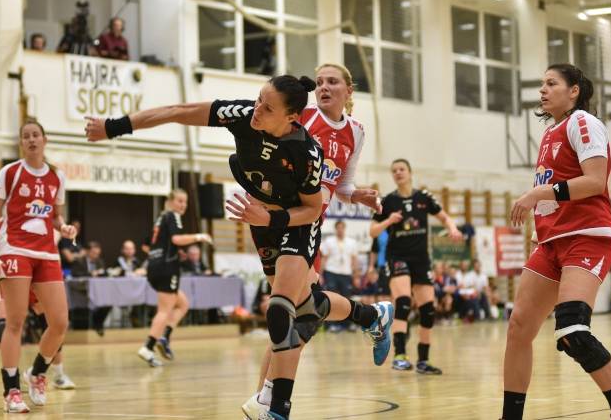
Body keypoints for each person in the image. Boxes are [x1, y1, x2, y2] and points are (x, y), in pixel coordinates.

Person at [86, 73, 390, 420]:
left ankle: (276, 407)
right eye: (259, 99)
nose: (257, 110)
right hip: (260, 222)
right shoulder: (244, 115)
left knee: (281, 309)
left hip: (295, 224)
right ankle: (371, 315)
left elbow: (311, 209)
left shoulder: (307, 151)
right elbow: (178, 110)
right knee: (307, 305)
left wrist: (272, 218)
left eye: (268, 107)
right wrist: (114, 127)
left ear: (292, 117)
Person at [240, 64, 391, 420]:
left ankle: (268, 399)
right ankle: (371, 315)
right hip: (278, 220)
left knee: (290, 310)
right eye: (319, 81)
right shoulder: (301, 116)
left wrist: (357, 195)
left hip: (305, 226)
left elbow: (341, 183)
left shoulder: (356, 131)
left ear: (348, 90)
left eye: (332, 82)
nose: (323, 87)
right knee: (298, 308)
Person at [501, 64, 611, 420]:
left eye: (551, 83)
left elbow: (595, 180)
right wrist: (538, 231)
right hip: (550, 243)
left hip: (586, 237)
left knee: (573, 330)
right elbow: (552, 197)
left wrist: (539, 193)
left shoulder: (583, 122)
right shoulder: (550, 133)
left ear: (574, 90)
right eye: (541, 84)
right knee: (518, 328)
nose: (543, 90)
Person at [0, 119, 76, 413]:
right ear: (21, 143)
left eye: (36, 135)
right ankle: (11, 392)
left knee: (59, 322)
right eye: (26, 136)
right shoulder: (10, 173)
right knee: (15, 321)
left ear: (45, 140)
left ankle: (37, 372)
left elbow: (55, 217)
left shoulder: (57, 176)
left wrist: (64, 227)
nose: (31, 140)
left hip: (47, 252)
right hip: (15, 249)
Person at [370, 158, 462, 375]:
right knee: (403, 302)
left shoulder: (424, 197)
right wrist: (389, 221)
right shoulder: (387, 201)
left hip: (421, 259)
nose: (398, 173)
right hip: (397, 257)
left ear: (410, 172)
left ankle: (423, 360)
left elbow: (444, 217)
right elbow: (372, 231)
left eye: (402, 169)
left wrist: (452, 228)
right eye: (394, 170)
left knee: (428, 310)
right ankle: (400, 356)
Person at [0, 222, 74, 394]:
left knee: (54, 325)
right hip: (16, 272)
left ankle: (57, 374)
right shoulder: (3, 222)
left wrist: (62, 229)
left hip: (41, 276)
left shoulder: (44, 219)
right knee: (4, 325)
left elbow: (55, 236)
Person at [135, 189, 212, 367]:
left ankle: (164, 337)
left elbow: (146, 246)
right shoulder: (172, 215)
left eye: (185, 202)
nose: (183, 205)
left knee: (183, 304)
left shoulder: (160, 219)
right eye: (179, 201)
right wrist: (199, 236)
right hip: (166, 269)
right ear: (170, 201)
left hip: (154, 267)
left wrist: (168, 253)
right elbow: (176, 239)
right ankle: (148, 347)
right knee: (164, 310)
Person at [319, 220, 360, 330]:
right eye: (338, 228)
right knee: (331, 298)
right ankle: (331, 324)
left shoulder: (351, 242)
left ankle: (347, 324)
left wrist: (356, 276)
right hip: (331, 272)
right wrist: (320, 275)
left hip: (346, 273)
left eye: (342, 227)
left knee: (347, 299)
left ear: (344, 229)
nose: (340, 230)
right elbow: (324, 259)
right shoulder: (329, 241)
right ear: (336, 229)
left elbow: (354, 260)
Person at [71, 241, 112, 335]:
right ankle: (91, 325)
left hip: (98, 291)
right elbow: (75, 274)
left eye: (98, 253)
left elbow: (104, 273)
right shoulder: (79, 261)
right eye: (94, 253)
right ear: (87, 252)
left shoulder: (100, 261)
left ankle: (97, 324)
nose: (96, 255)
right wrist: (90, 274)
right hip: (81, 291)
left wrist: (102, 273)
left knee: (108, 302)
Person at [368, 230, 392, 302]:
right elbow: (374, 250)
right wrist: (371, 267)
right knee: (381, 295)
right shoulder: (379, 231)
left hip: (396, 265)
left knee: (394, 293)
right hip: (382, 266)